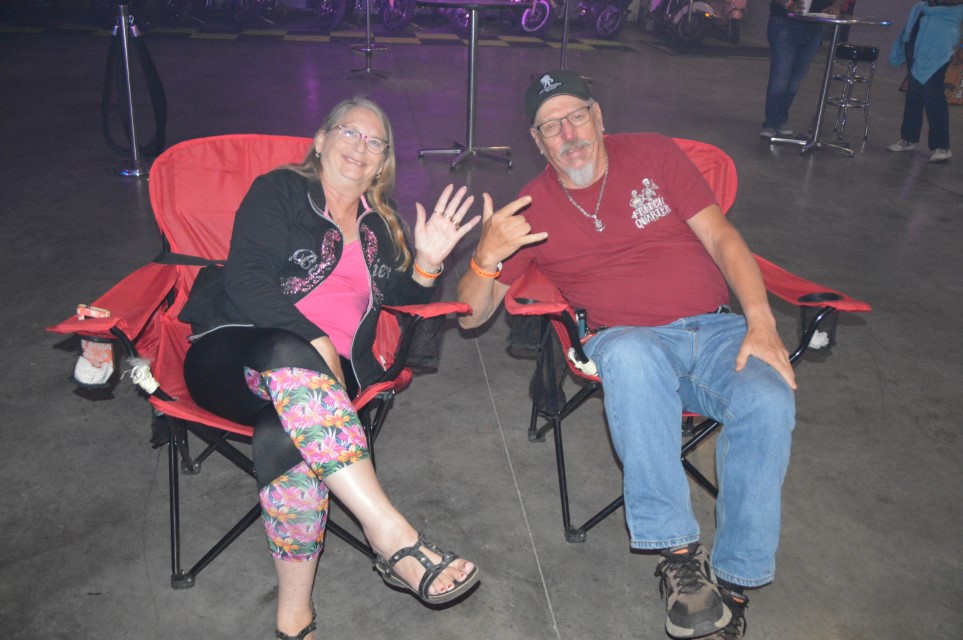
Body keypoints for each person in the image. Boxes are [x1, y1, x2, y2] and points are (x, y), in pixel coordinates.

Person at [457, 70, 797, 640]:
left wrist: (760, 321)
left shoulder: (654, 155)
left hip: (715, 331)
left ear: (598, 116)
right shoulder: (529, 209)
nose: (569, 133)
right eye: (550, 126)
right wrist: (485, 257)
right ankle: (680, 559)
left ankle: (735, 578)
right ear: (536, 142)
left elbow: (722, 238)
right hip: (625, 342)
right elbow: (471, 315)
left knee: (768, 396)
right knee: (635, 355)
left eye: (576, 116)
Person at [179, 97, 482, 640]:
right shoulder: (279, 191)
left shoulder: (381, 225)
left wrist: (427, 262)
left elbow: (401, 302)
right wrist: (314, 340)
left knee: (286, 433)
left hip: (325, 387)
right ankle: (391, 535)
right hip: (235, 353)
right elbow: (246, 280)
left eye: (375, 142)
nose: (361, 147)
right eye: (349, 132)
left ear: (383, 162)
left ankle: (293, 616)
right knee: (288, 349)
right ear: (320, 141)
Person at [886, 0, 963, 163]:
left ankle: (941, 146)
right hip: (919, 31)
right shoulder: (923, 8)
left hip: (942, 42)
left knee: (932, 92)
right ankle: (908, 138)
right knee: (914, 91)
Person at [761, 0, 851, 138]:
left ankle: (780, 119)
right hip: (785, 22)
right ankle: (772, 123)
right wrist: (788, 4)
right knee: (781, 76)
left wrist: (835, 6)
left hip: (815, 25)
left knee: (795, 79)